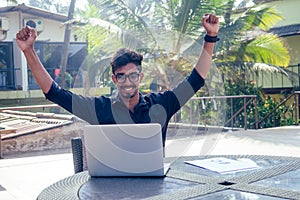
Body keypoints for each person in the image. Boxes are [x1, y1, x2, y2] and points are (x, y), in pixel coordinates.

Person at [16, 14, 220, 147]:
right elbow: (54, 93)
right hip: (110, 185)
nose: (127, 81)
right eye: (121, 76)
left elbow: (196, 79)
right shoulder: (100, 108)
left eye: (133, 75)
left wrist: (210, 37)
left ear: (140, 77)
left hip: (154, 184)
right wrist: (29, 51)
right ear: (114, 79)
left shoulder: (162, 104)